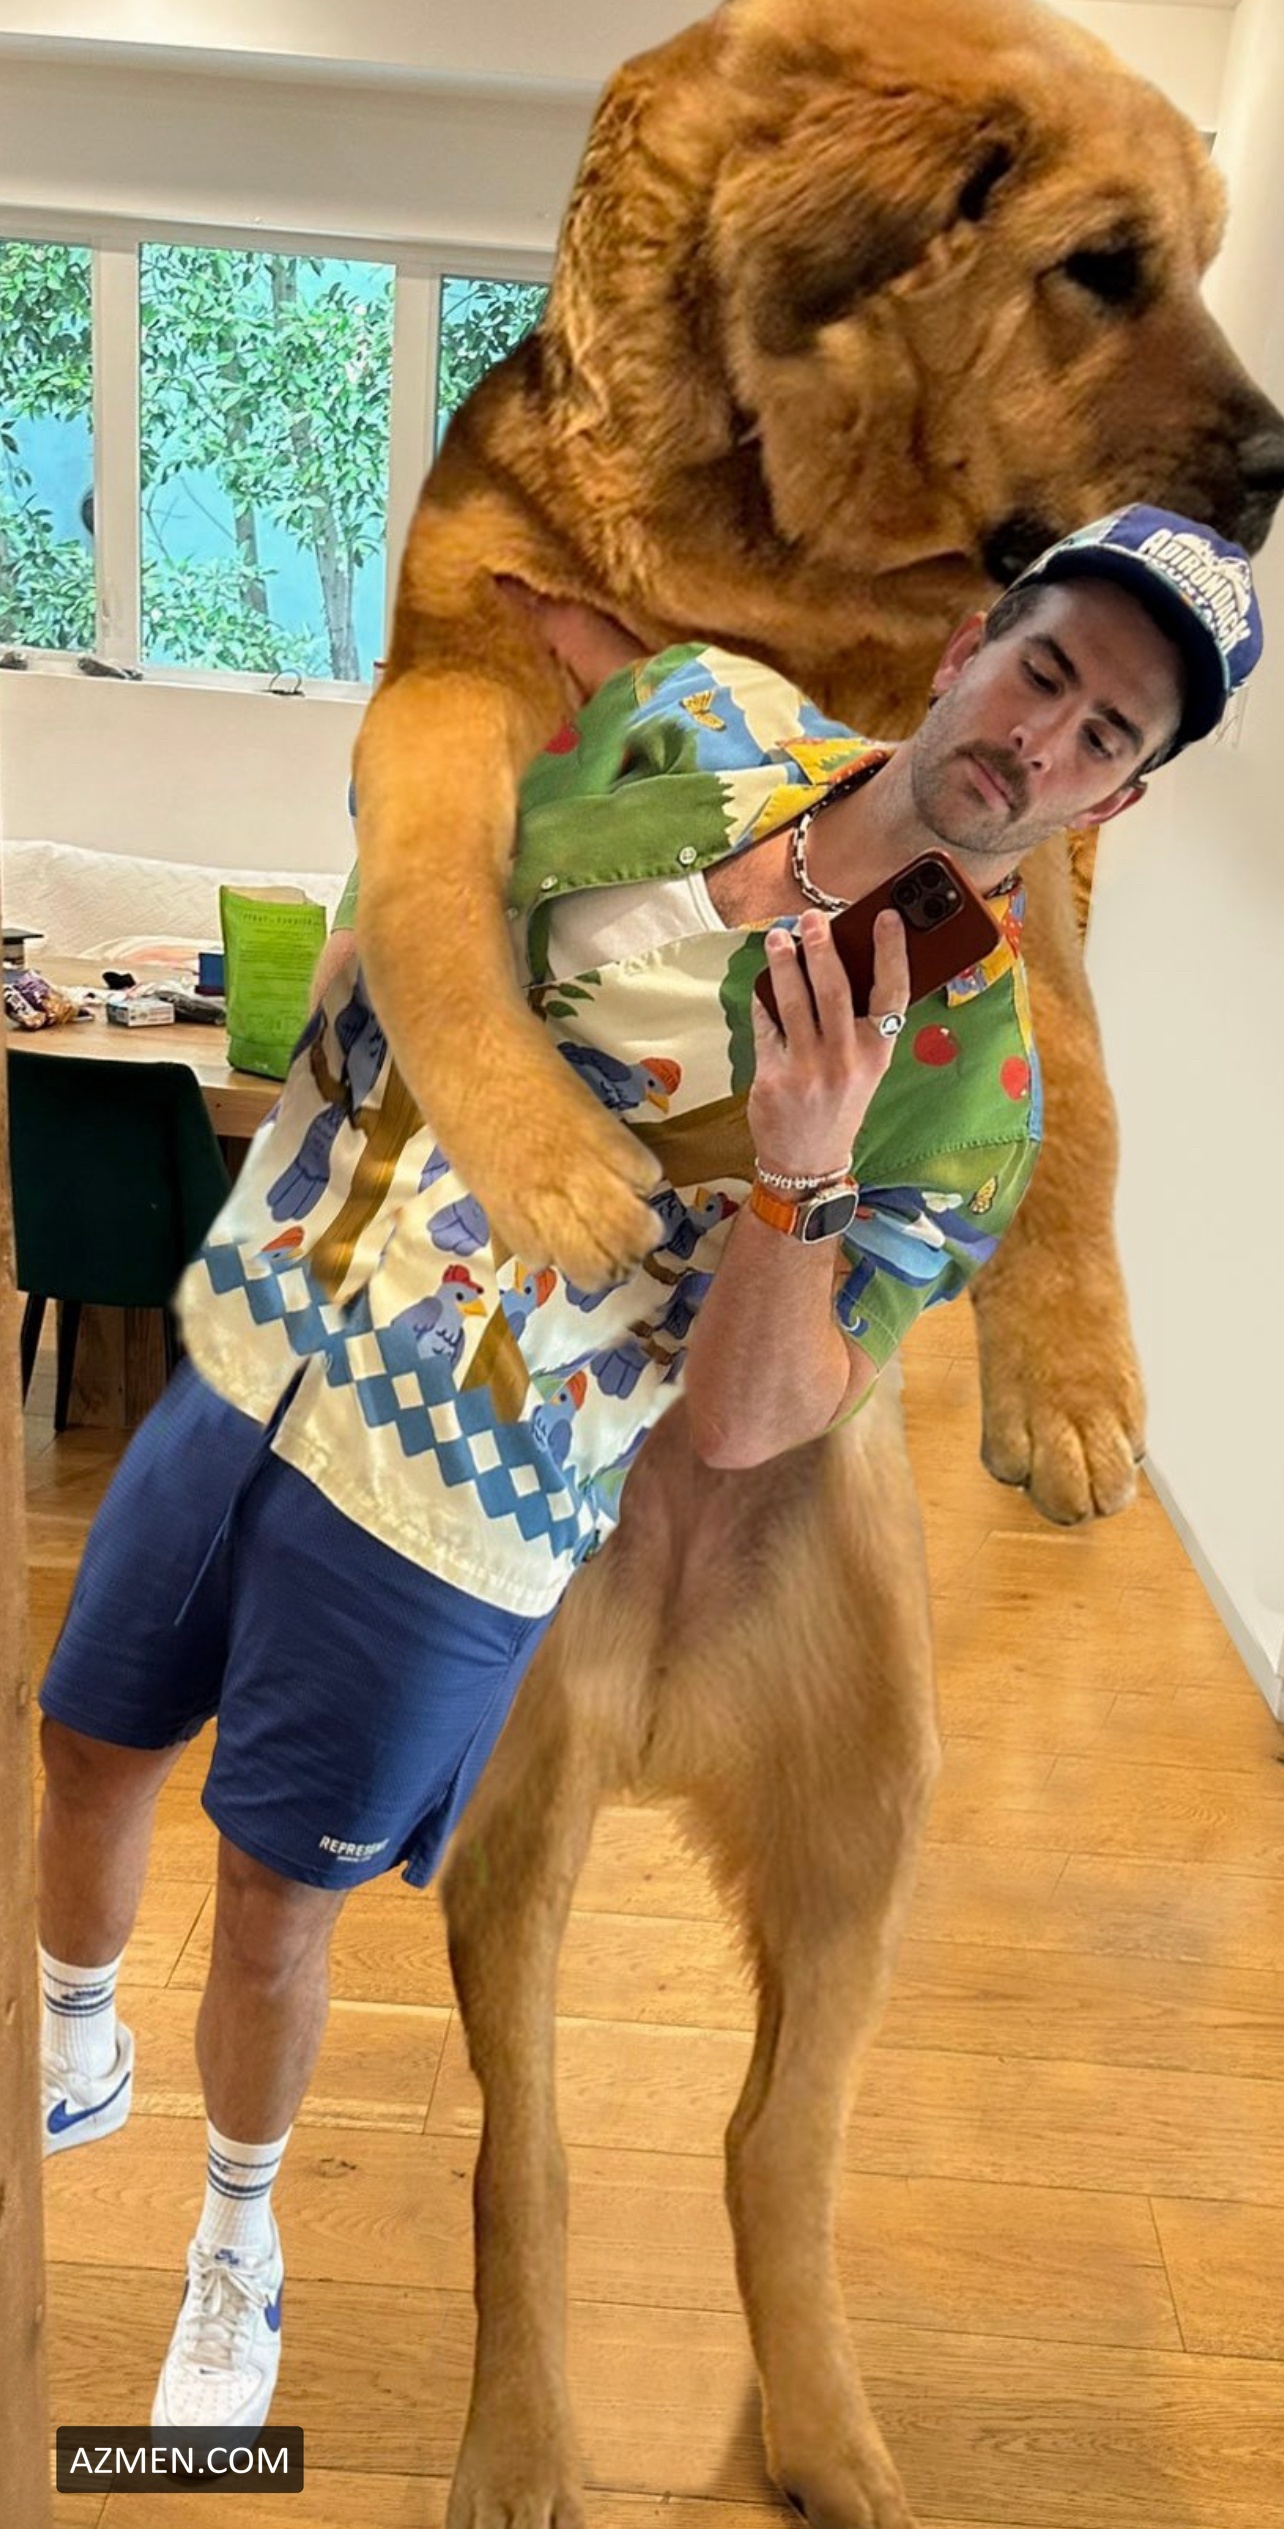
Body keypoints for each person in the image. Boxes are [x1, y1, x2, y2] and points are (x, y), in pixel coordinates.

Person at [34, 507, 1261, 2431]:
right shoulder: (698, 719)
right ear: (967, 652)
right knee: (87, 1736)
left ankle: (238, 2244)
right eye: (1043, 671)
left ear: (1114, 797)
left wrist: (800, 1168)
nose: (1044, 736)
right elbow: (469, 815)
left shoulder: (971, 1091)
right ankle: (71, 2044)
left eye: (1104, 733)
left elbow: (758, 1417)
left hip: (467, 1485)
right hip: (275, 1330)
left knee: (276, 1895)